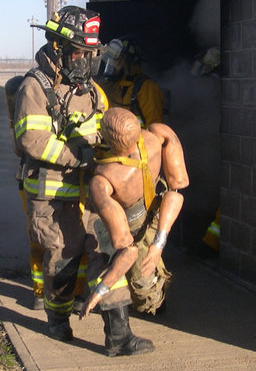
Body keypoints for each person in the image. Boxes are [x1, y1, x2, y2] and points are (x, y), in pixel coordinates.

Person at [12, 5, 110, 342]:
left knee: (90, 250)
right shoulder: (34, 88)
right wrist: (78, 156)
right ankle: (57, 321)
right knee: (59, 254)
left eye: (90, 52)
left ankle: (92, 312)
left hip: (86, 192)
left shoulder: (93, 92)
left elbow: (103, 132)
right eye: (79, 51)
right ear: (59, 48)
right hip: (51, 192)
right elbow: (33, 140)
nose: (85, 60)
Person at [80, 107, 189, 322]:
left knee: (146, 295)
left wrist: (98, 293)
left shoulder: (103, 180)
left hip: (137, 220)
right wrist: (159, 242)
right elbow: (177, 189)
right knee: (145, 262)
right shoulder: (159, 135)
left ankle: (156, 299)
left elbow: (127, 249)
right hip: (157, 211)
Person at [96, 37, 166, 128]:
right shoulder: (107, 86)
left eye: (115, 60)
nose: (111, 65)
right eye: (109, 60)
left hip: (139, 141)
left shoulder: (146, 88)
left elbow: (155, 129)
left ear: (128, 62)